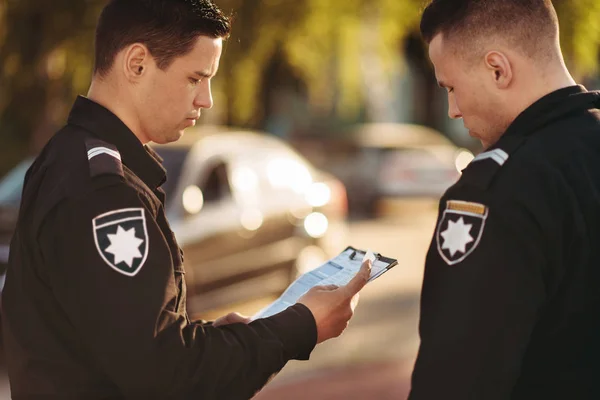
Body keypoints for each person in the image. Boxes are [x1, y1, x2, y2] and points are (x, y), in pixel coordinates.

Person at [0, 1, 371, 399]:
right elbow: (167, 375)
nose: (206, 100)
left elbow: (114, 342)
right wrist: (300, 326)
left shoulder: (68, 154)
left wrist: (211, 338)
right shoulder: (104, 192)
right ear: (137, 63)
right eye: (195, 78)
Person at [409, 1, 600, 399]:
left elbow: (454, 384)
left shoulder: (498, 192)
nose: (453, 110)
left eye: (450, 88)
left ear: (498, 69)